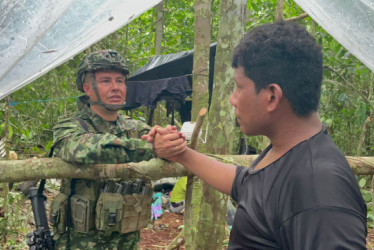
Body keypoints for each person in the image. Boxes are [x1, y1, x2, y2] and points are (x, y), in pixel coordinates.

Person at [143, 22, 367, 249]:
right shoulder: (286, 152)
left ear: (271, 97)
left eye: (239, 87)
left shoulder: (319, 192)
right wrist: (181, 154)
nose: (233, 99)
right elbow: (248, 184)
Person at [51, 50, 156, 249]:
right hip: (80, 244)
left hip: (127, 242)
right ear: (87, 88)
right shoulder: (70, 126)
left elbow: (162, 143)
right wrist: (150, 148)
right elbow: (82, 148)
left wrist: (167, 139)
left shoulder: (135, 128)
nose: (116, 88)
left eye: (120, 81)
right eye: (106, 81)